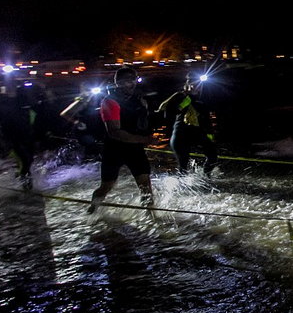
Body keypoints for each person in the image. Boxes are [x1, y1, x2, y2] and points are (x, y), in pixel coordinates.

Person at [87, 66, 154, 213]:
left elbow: (144, 124)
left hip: (135, 149)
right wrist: (144, 139)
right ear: (117, 82)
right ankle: (92, 212)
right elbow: (115, 132)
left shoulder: (140, 100)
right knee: (106, 186)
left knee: (145, 187)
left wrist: (149, 133)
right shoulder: (110, 102)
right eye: (126, 81)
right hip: (114, 150)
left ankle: (152, 221)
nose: (131, 83)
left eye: (133, 80)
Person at [155, 71, 218, 175]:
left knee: (213, 156)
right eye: (193, 84)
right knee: (183, 165)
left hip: (198, 132)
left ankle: (207, 177)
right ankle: (182, 186)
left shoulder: (203, 97)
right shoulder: (180, 96)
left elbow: (206, 117)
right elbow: (166, 113)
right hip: (181, 133)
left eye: (199, 84)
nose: (196, 87)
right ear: (188, 84)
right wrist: (183, 105)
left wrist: (210, 134)